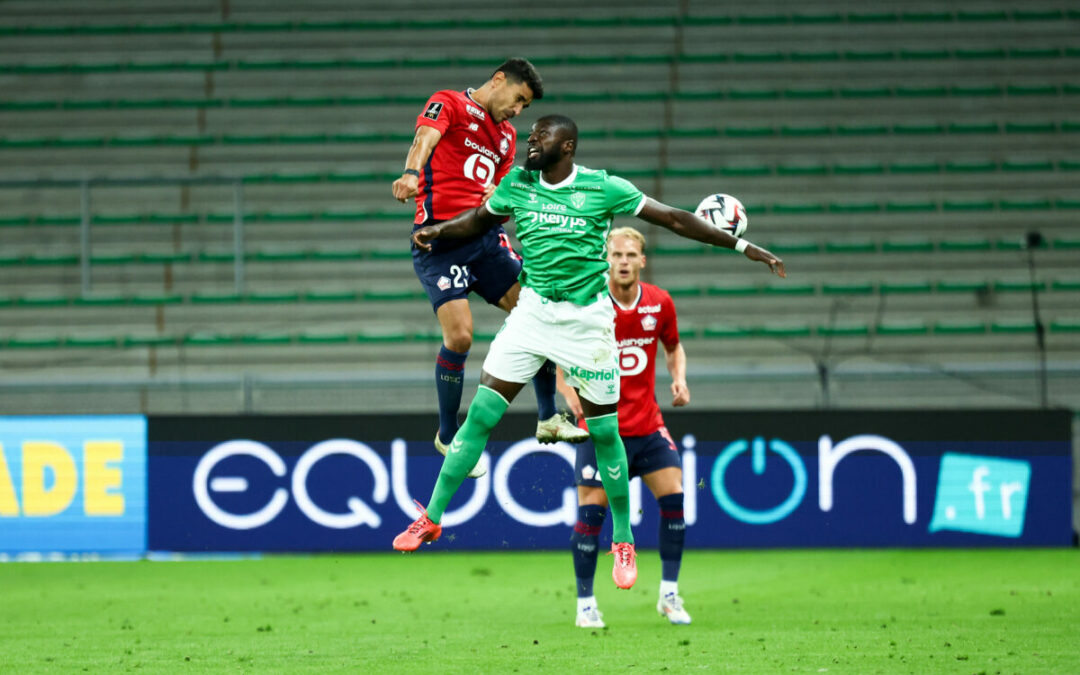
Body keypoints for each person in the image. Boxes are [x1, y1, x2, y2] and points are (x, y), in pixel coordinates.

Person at [393, 114, 786, 594]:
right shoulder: (517, 182)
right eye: (531, 133)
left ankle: (622, 539)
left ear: (568, 146)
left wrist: (742, 245)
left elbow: (674, 218)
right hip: (533, 314)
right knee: (479, 417)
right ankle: (431, 518)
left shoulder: (604, 188)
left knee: (604, 432)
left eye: (542, 135)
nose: (532, 140)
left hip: (588, 325)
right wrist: (439, 233)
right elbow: (480, 220)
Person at [391, 58, 586, 478]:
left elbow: (498, 191)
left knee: (540, 311)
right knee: (460, 337)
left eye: (525, 106)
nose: (518, 111)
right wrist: (410, 172)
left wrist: (502, 198)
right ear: (499, 81)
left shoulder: (506, 137)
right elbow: (425, 137)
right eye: (518, 99)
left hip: (485, 242)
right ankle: (449, 434)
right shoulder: (448, 104)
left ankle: (549, 416)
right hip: (438, 240)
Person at [556, 226, 693, 628]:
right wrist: (568, 393)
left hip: (648, 425)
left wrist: (679, 378)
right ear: (606, 259)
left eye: (631, 255)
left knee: (674, 500)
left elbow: (673, 346)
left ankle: (669, 594)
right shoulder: (589, 302)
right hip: (601, 429)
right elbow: (558, 351)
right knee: (591, 515)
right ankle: (585, 605)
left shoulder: (660, 302)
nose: (623, 262)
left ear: (642, 261)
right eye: (616, 255)